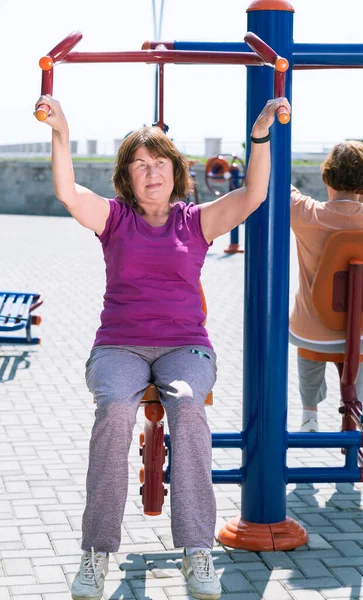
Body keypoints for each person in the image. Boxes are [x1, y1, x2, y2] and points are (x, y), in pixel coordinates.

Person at [34, 93, 290, 600]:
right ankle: (96, 552)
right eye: (140, 165)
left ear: (175, 170)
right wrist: (60, 131)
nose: (151, 172)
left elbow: (255, 194)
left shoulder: (195, 221)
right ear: (127, 179)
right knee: (113, 410)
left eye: (160, 163)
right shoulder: (114, 220)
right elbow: (67, 191)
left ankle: (198, 550)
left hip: (184, 348)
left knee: (189, 406)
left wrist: (260, 134)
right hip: (119, 348)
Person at [290, 140, 363, 433]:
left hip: (313, 333)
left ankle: (309, 413)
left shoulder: (305, 213)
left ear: (327, 176)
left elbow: (273, 179)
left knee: (308, 343)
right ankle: (358, 410)